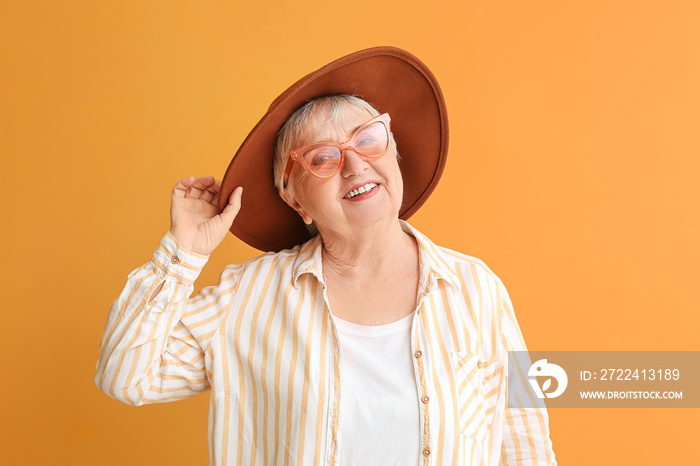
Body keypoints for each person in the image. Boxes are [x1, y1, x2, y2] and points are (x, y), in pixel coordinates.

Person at [95, 47, 556, 465]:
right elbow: (126, 376)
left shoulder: (477, 289)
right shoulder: (247, 296)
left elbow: (523, 444)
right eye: (323, 158)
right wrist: (183, 253)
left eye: (368, 140)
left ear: (394, 154)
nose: (355, 165)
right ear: (295, 200)